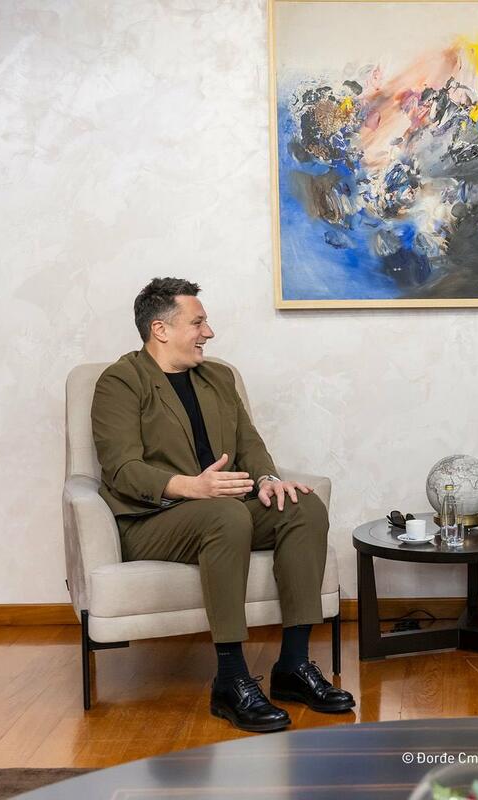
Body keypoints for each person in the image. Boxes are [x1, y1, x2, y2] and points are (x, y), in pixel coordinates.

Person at [91, 277, 354, 733]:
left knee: (303, 506)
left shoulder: (218, 377)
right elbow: (121, 468)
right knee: (226, 513)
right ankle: (231, 681)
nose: (208, 332)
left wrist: (268, 481)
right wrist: (192, 487)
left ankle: (293, 666)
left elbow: (249, 444)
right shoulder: (121, 381)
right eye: (198, 323)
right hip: (154, 520)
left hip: (220, 512)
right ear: (160, 329)